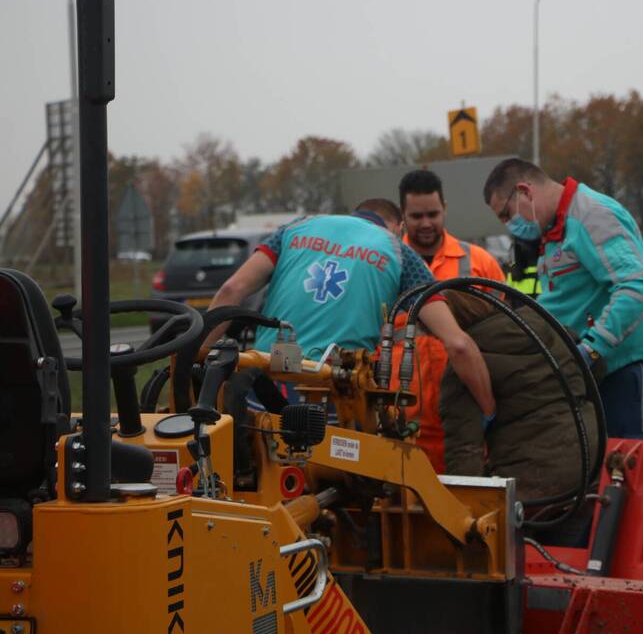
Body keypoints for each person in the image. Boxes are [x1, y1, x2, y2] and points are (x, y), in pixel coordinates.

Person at [203, 197, 495, 419]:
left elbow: (232, 290)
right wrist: (490, 412)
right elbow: (457, 344)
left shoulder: (294, 229)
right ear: (399, 228)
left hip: (263, 386)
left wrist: (194, 366)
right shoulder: (399, 252)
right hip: (336, 400)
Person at [483, 158, 643, 439]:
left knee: (627, 479)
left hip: (631, 374)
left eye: (506, 214)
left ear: (525, 191)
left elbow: (637, 287)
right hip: (599, 377)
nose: (508, 226)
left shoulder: (592, 216)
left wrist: (592, 349)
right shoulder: (553, 232)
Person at [392, 170, 505, 473]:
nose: (426, 223)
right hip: (401, 422)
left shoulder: (480, 263)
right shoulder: (386, 267)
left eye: (433, 213)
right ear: (403, 214)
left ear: (445, 208)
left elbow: (503, 341)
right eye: (417, 216)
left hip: (464, 420)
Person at [439, 290, 597, 502]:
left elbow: (464, 450)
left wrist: (465, 512)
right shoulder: (544, 322)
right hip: (592, 460)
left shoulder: (464, 366)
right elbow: (596, 371)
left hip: (533, 483)